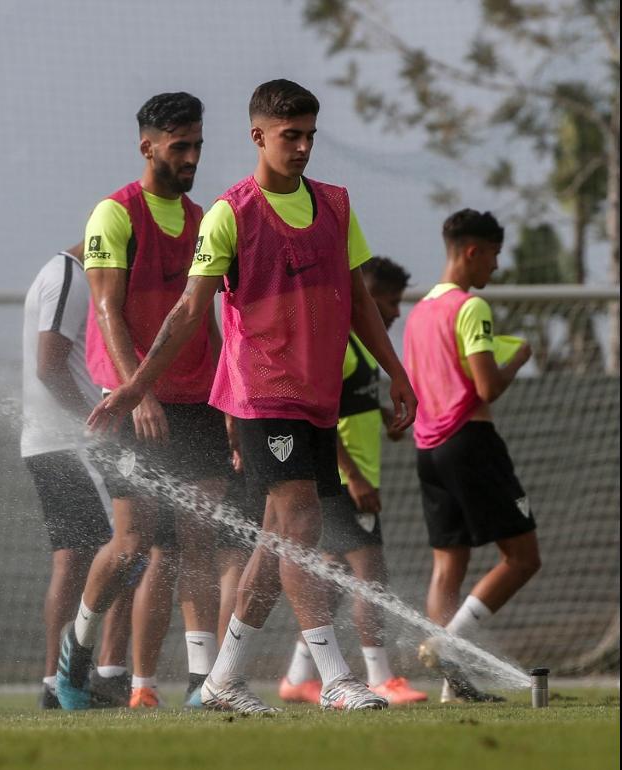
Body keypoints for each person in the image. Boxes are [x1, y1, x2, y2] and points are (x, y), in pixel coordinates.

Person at [89, 79, 418, 713]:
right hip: (262, 396)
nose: (302, 148)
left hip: (316, 396)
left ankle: (223, 680)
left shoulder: (337, 206)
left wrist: (395, 372)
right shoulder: (230, 212)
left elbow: (359, 303)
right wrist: (135, 387)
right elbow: (190, 311)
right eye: (290, 136)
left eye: (310, 136)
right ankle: (337, 677)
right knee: (300, 525)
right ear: (258, 136)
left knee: (275, 538)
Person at [57, 92, 230, 710]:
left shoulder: (207, 217)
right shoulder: (114, 214)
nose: (190, 157)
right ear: (147, 146)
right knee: (133, 541)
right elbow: (106, 308)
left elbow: (205, 318)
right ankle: (75, 654)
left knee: (198, 538)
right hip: (132, 400)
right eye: (179, 145)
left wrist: (227, 399)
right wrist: (139, 393)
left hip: (200, 401)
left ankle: (204, 683)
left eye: (198, 146)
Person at [404, 209, 539, 703]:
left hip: (429, 450)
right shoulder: (470, 307)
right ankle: (447, 645)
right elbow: (486, 386)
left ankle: (454, 688)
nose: (496, 268)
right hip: (470, 441)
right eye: (494, 256)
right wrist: (518, 358)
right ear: (472, 252)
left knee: (447, 567)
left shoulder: (418, 314)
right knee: (523, 557)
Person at [277, 256, 426, 705]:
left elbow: (346, 407)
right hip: (345, 480)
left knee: (337, 576)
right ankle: (380, 676)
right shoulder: (339, 345)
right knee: (371, 575)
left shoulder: (360, 345)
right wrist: (356, 476)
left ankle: (297, 675)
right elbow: (319, 418)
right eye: (390, 303)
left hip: (350, 476)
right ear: (366, 295)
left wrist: (381, 415)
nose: (397, 312)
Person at [21, 243, 134, 709]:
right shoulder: (70, 274)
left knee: (75, 560)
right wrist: (99, 423)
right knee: (131, 545)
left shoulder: (61, 272)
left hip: (53, 441)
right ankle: (102, 673)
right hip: (74, 443)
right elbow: (49, 365)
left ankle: (57, 682)